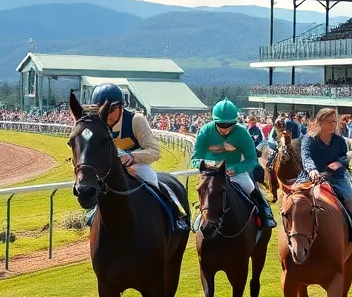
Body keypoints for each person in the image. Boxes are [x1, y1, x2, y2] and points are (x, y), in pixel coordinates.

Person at [90, 84, 185, 231]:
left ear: (121, 107)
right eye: (100, 110)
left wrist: (132, 157)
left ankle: (176, 213)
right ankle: (92, 213)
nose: (106, 115)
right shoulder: (94, 124)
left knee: (152, 179)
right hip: (108, 171)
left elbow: (154, 151)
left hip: (136, 167)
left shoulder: (136, 120)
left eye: (111, 110)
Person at [192, 98, 276, 228]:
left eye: (229, 125)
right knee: (206, 192)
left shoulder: (242, 133)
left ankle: (265, 213)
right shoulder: (204, 131)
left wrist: (235, 168)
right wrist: (209, 166)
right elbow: (194, 159)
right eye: (221, 125)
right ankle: (199, 217)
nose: (225, 129)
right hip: (211, 174)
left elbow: (252, 160)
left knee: (252, 189)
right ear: (214, 121)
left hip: (236, 172)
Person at [298, 108, 352, 247]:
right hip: (312, 176)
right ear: (319, 122)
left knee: (349, 198)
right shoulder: (308, 139)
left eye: (334, 122)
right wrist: (312, 169)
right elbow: (306, 156)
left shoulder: (340, 140)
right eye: (329, 122)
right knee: (294, 198)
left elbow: (344, 157)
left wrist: (339, 162)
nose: (332, 125)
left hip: (336, 176)